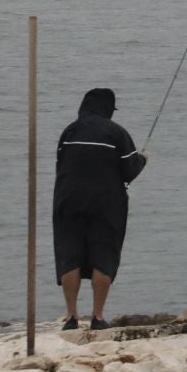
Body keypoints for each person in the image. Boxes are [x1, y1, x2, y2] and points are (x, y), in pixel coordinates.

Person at [52, 88, 147, 331]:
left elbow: (60, 166)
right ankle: (97, 317)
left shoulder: (69, 131)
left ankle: (72, 317)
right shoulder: (116, 133)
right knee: (104, 254)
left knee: (69, 254)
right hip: (107, 204)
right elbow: (129, 170)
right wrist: (142, 160)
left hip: (68, 200)